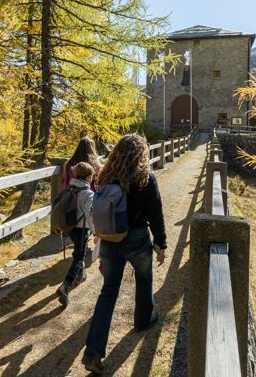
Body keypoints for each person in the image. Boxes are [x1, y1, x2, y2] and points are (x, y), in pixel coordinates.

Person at [81, 134, 167, 373]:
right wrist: (161, 244)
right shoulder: (146, 179)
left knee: (108, 291)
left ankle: (93, 350)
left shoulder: (106, 176)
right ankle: (143, 320)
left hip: (110, 239)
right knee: (144, 279)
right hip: (137, 239)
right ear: (142, 154)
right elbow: (155, 214)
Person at [56, 162, 95, 306]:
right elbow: (90, 215)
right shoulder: (88, 194)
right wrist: (97, 233)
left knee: (77, 253)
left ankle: (81, 274)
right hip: (82, 228)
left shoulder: (68, 189)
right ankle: (65, 286)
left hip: (69, 228)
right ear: (89, 177)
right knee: (79, 256)